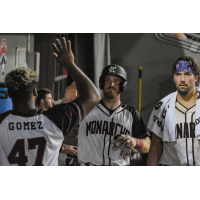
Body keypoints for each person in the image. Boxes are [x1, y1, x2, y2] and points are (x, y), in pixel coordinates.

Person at [0, 38, 100, 166]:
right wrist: (70, 64)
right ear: (35, 92)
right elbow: (93, 96)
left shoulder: (2, 123)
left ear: (9, 94)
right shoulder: (55, 119)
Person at [77, 64, 150, 166]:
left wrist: (135, 141)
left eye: (116, 81)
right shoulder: (87, 109)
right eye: (107, 80)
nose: (111, 84)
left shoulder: (131, 114)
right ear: (102, 83)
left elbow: (147, 145)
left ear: (122, 85)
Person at [147, 55, 200, 166]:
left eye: (187, 74)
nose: (182, 79)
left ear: (196, 77)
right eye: (178, 74)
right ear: (173, 77)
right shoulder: (162, 106)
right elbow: (156, 146)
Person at [36, 83, 79, 161]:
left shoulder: (48, 115)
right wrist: (62, 149)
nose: (52, 101)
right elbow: (43, 142)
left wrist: (64, 146)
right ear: (42, 101)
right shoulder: (39, 118)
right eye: (49, 98)